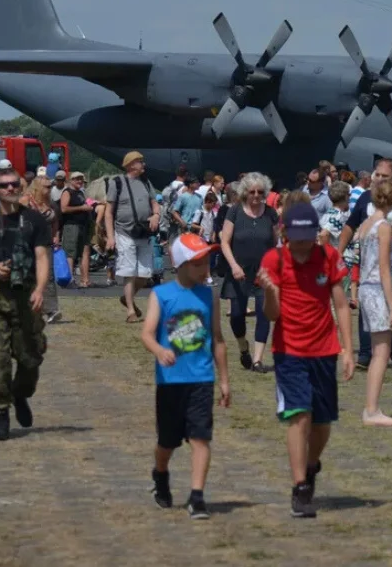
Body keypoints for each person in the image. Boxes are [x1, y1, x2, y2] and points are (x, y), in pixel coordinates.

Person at [259, 201, 355, 519]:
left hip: (324, 349)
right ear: (285, 233)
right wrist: (271, 292)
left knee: (322, 422)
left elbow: (340, 305)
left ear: (316, 233)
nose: (301, 244)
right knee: (299, 415)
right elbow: (272, 315)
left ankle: (312, 465)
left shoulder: (328, 257)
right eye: (295, 237)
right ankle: (300, 488)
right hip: (289, 352)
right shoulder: (274, 260)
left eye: (307, 236)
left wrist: (348, 349)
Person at [142, 234, 230, 520]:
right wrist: (158, 349)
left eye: (207, 261)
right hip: (171, 383)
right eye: (198, 263)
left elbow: (217, 339)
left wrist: (225, 380)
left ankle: (197, 496)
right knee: (167, 443)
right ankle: (160, 474)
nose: (205, 268)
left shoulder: (209, 295)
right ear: (179, 265)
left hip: (201, 379)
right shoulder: (161, 295)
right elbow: (147, 332)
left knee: (200, 437)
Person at [0, 166, 52, 441]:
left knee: (31, 358)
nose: (11, 189)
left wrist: (40, 289)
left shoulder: (35, 220)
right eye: (4, 186)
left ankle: (20, 394)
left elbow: (41, 257)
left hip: (26, 294)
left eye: (15, 184)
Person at [338, 158, 392, 368]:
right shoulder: (365, 199)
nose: (378, 179)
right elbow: (350, 226)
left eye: (384, 176)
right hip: (370, 263)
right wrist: (338, 252)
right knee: (368, 306)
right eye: (376, 175)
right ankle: (367, 352)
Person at [220, 173, 279, 372]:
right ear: (245, 192)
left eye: (260, 192)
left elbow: (277, 242)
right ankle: (243, 346)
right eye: (252, 191)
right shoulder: (235, 211)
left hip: (264, 273)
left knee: (264, 314)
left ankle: (257, 360)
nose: (256, 195)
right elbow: (225, 242)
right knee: (236, 316)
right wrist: (234, 266)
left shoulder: (271, 214)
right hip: (238, 272)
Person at [355, 182, 392, 426]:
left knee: (378, 350)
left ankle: (372, 407)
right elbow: (384, 270)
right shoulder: (383, 227)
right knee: (381, 352)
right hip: (375, 289)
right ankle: (372, 409)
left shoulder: (365, 225)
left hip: (365, 287)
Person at [106, 152, 161, 323]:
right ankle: (130, 310)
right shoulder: (117, 183)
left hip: (144, 232)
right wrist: (110, 237)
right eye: (140, 162)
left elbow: (154, 203)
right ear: (130, 165)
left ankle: (127, 297)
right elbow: (108, 212)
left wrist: (156, 215)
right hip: (124, 232)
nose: (143, 164)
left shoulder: (146, 182)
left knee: (145, 274)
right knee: (129, 271)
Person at [23, 176, 62, 324]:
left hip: (46, 243)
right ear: (37, 187)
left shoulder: (50, 202)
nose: (49, 189)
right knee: (29, 275)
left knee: (49, 276)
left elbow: (55, 219)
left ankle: (52, 309)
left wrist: (56, 234)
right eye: (46, 186)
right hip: (29, 244)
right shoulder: (27, 201)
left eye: (50, 186)